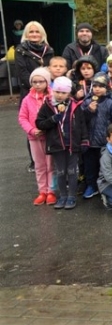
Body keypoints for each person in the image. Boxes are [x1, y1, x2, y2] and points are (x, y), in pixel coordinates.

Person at [35, 76, 88, 210]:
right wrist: (52, 119)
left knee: (72, 171)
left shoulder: (76, 106)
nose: (60, 95)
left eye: (63, 93)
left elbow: (82, 125)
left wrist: (84, 141)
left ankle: (71, 196)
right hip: (57, 145)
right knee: (60, 171)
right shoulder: (47, 106)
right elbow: (39, 123)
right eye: (57, 92)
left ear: (69, 93)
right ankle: (62, 196)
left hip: (73, 144)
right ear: (52, 91)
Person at [18, 67, 56, 205]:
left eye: (41, 81)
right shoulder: (27, 99)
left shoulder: (53, 98)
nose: (38, 84)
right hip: (34, 138)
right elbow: (22, 117)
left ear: (47, 82)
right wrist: (32, 130)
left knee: (51, 165)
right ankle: (42, 191)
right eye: (34, 82)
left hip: (50, 137)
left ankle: (51, 191)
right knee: (39, 165)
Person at [15, 21, 55, 100]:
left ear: (42, 34)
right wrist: (36, 86)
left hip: (47, 91)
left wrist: (46, 87)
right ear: (26, 34)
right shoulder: (20, 50)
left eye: (37, 32)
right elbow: (22, 71)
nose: (34, 34)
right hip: (29, 90)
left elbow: (51, 69)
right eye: (31, 32)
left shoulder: (49, 50)